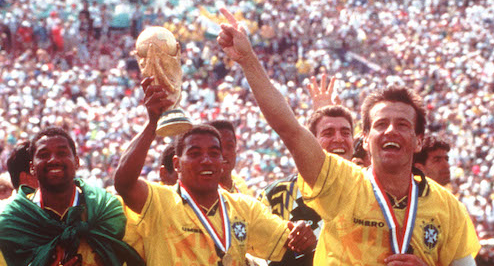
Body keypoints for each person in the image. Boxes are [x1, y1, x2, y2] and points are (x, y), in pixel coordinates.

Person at [217, 8, 480, 265]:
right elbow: (290, 130)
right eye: (381, 124)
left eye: (402, 124)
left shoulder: (447, 207)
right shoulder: (342, 183)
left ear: (418, 140)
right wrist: (248, 60)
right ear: (364, 139)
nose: (390, 131)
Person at [114, 77, 314, 265]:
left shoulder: (244, 208)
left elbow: (292, 245)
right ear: (177, 164)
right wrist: (152, 124)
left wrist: (304, 236)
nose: (206, 161)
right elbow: (124, 183)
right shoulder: (159, 201)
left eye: (213, 153)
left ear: (222, 161)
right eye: (194, 153)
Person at [0, 127, 144, 266]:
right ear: (32, 167)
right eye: (44, 155)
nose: (53, 160)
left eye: (62, 153)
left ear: (76, 161)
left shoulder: (107, 209)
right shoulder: (14, 221)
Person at [258, 76, 355, 265]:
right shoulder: (277, 195)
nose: (339, 139)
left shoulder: (370, 191)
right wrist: (287, 238)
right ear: (311, 140)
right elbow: (255, 251)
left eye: (346, 133)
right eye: (328, 133)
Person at [207, 120, 250, 195]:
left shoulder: (240, 184)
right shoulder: (199, 192)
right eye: (217, 147)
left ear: (235, 150)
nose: (224, 153)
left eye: (229, 146)